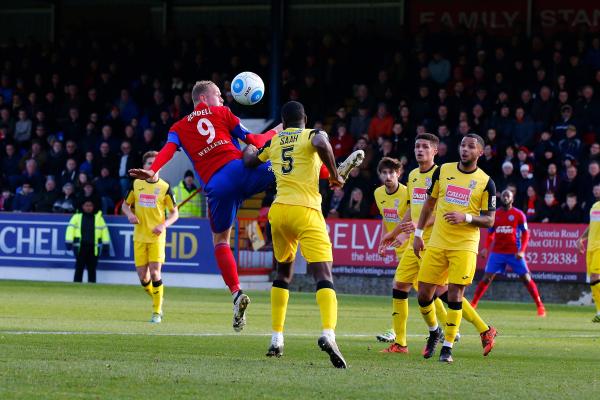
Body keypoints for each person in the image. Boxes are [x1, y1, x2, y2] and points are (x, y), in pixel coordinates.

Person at [128, 80, 280, 331]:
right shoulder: (223, 113)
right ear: (204, 98)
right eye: (218, 94)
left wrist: (153, 170)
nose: (222, 99)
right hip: (241, 171)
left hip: (218, 187)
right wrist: (277, 130)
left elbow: (167, 150)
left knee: (220, 241)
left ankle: (235, 293)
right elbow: (255, 139)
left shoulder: (178, 127)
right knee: (287, 166)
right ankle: (331, 174)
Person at [243, 100, 355, 368]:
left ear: (283, 120)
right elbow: (320, 144)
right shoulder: (314, 134)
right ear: (305, 118)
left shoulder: (275, 142)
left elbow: (248, 160)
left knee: (283, 273)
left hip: (279, 212)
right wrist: (337, 174)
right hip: (306, 211)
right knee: (323, 275)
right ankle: (329, 333)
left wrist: (248, 140)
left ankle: (276, 338)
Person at [378, 134, 493, 353]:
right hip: (416, 241)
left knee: (444, 292)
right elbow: (412, 210)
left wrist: (418, 226)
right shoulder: (412, 175)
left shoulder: (442, 174)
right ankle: (401, 343)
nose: (419, 150)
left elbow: (438, 210)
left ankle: (482, 328)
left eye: (424, 147)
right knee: (400, 285)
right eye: (416, 146)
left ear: (435, 151)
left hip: (436, 241)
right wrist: (394, 233)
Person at [412, 133, 497, 363]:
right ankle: (434, 332)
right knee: (423, 294)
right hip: (438, 242)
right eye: (462, 145)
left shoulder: (486, 181)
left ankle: (447, 348)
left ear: (480, 152)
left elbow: (490, 220)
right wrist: (418, 234)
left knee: (454, 295)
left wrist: (466, 217)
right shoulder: (443, 171)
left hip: (465, 245)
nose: (465, 149)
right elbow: (429, 204)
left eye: (471, 147)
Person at [122, 151, 179, 323]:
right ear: (144, 166)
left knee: (155, 273)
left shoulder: (165, 187)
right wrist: (129, 215)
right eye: (148, 163)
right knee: (143, 278)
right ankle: (158, 297)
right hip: (139, 236)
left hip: (156, 238)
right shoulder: (137, 184)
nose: (151, 166)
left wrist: (163, 225)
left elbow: (174, 213)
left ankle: (157, 311)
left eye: (155, 163)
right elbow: (126, 205)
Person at [471, 189, 546, 316]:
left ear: (512, 199)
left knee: (526, 278)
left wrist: (522, 251)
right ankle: (473, 304)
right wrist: (486, 248)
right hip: (497, 252)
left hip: (514, 253)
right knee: (486, 278)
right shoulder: (495, 214)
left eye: (508, 196)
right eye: (504, 195)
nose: (505, 197)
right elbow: (490, 234)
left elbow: (526, 234)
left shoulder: (519, 214)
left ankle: (540, 306)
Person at [65, 199, 111, 283]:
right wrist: (69, 241)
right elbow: (70, 229)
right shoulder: (77, 217)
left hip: (93, 247)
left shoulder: (98, 218)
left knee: (92, 268)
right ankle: (76, 285)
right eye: (86, 205)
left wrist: (106, 245)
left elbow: (105, 232)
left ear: (93, 207)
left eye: (90, 205)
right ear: (83, 206)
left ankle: (92, 286)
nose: (88, 208)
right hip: (80, 246)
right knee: (79, 267)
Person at [576, 183, 600, 323]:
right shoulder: (594, 207)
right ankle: (599, 312)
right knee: (592, 281)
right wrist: (581, 239)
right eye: (595, 189)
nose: (597, 191)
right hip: (590, 248)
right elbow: (592, 226)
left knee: (596, 277)